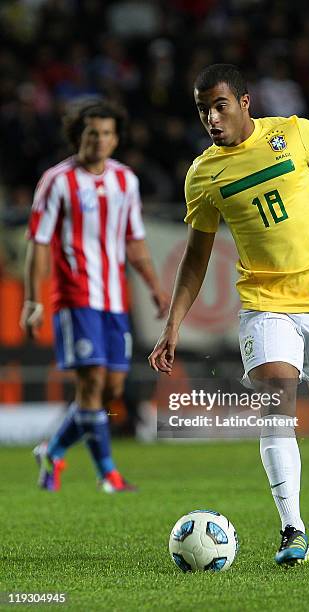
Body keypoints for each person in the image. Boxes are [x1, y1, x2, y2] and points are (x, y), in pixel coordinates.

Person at [148, 64, 309, 565]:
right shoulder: (202, 175)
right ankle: (293, 531)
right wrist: (172, 325)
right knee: (276, 403)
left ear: (244, 103)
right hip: (264, 302)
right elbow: (196, 257)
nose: (212, 119)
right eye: (203, 111)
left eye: (220, 106)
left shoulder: (294, 134)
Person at [21, 98, 168, 493]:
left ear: (116, 139)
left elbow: (135, 241)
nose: (99, 140)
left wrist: (155, 287)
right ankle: (109, 474)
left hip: (114, 300)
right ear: (78, 137)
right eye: (92, 133)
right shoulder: (57, 181)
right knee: (90, 383)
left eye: (106, 133)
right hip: (75, 296)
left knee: (112, 389)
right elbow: (37, 243)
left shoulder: (126, 180)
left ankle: (52, 451)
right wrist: (33, 302)